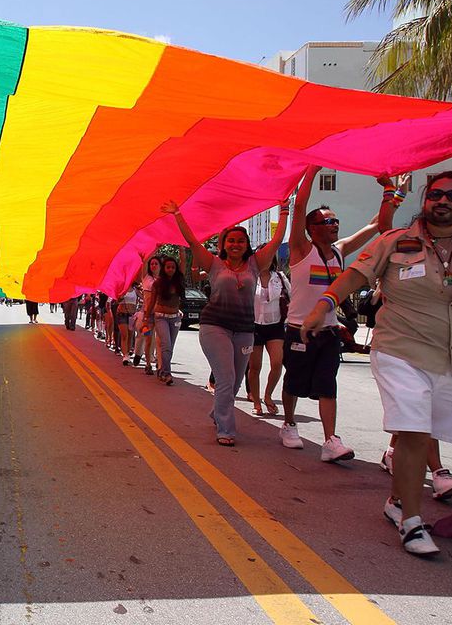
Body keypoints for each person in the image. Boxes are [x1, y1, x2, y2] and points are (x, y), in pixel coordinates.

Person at [301, 170, 452, 556]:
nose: (442, 201)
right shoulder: (394, 241)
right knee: (414, 432)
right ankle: (412, 524)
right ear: (425, 199)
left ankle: (397, 500)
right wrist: (322, 306)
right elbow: (353, 275)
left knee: (427, 430)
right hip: (401, 350)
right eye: (435, 194)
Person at [281, 166, 390, 459]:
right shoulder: (301, 248)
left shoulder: (341, 251)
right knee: (293, 381)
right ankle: (289, 423)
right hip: (298, 330)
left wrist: (391, 190)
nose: (334, 225)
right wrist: (313, 169)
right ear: (311, 227)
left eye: (336, 221)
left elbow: (377, 225)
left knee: (328, 385)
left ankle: (330, 441)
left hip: (328, 333)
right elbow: (300, 205)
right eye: (327, 221)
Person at [162, 195, 288, 446]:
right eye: (231, 240)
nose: (236, 244)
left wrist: (284, 211)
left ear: (246, 244)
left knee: (237, 380)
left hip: (243, 329)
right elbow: (191, 241)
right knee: (226, 377)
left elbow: (276, 241)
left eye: (241, 241)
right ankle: (226, 429)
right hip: (214, 326)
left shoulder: (255, 263)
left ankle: (217, 412)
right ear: (224, 244)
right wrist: (177, 214)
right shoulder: (214, 264)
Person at [247, 258, 289, 415]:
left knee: (277, 363)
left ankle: (268, 395)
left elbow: (292, 296)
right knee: (254, 367)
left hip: (275, 325)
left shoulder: (280, 277)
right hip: (254, 326)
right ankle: (256, 402)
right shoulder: (251, 277)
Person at [148, 255, 185, 384]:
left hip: (174, 318)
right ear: (164, 268)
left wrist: (182, 249)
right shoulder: (158, 283)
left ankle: (162, 370)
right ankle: (167, 373)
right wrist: (147, 317)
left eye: (173, 267)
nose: (171, 270)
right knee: (166, 346)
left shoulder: (178, 281)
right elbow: (152, 302)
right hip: (160, 317)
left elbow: (183, 264)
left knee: (170, 348)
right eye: (168, 267)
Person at [134, 253, 160, 374]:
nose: (153, 265)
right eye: (152, 264)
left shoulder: (163, 279)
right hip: (146, 316)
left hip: (160, 315)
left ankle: (160, 366)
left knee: (158, 341)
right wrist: (154, 249)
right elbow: (144, 263)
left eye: (156, 264)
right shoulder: (146, 278)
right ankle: (147, 363)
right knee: (147, 338)